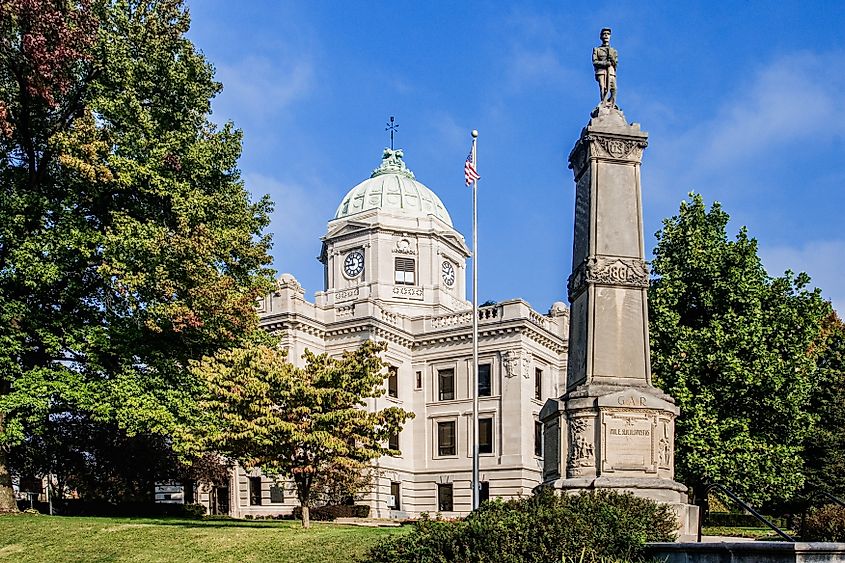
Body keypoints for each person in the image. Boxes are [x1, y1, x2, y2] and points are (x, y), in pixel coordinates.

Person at [592, 28, 617, 106]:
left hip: (611, 71)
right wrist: (605, 63)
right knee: (603, 88)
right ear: (601, 36)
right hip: (601, 71)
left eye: (608, 34)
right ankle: (604, 103)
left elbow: (616, 63)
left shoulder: (613, 50)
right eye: (604, 34)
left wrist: (612, 60)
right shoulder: (597, 49)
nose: (606, 35)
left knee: (614, 89)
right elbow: (595, 62)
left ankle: (612, 103)